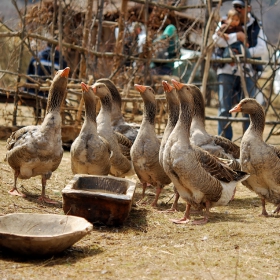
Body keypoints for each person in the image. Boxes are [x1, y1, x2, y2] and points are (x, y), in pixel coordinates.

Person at [212, 0, 267, 140]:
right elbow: (216, 40)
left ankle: (249, 141)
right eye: (235, 6)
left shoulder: (255, 26)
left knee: (249, 108)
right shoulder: (226, 20)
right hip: (226, 69)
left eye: (240, 7)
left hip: (247, 70)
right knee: (224, 108)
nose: (237, 9)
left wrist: (244, 51)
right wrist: (236, 37)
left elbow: (262, 49)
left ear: (248, 8)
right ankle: (224, 141)